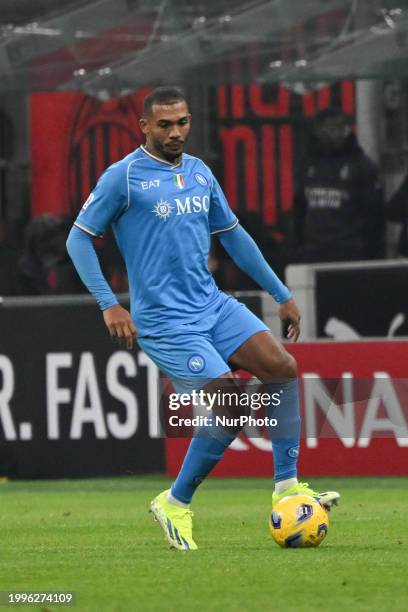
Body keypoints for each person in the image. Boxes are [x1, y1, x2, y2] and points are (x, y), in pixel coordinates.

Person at [66, 87, 339, 551]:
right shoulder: (124, 177)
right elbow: (78, 239)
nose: (176, 132)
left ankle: (287, 487)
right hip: (165, 321)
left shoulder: (199, 172)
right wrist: (109, 303)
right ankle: (175, 502)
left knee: (283, 368)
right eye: (166, 125)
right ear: (145, 127)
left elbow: (233, 236)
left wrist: (281, 293)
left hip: (212, 304)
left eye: (183, 122)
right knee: (230, 406)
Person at [293, 108, 385, 263]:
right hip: (313, 250)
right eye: (330, 127)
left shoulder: (362, 166)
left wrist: (370, 251)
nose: (335, 133)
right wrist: (299, 244)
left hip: (349, 251)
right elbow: (299, 208)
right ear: (319, 130)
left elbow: (375, 213)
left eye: (340, 128)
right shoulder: (307, 164)